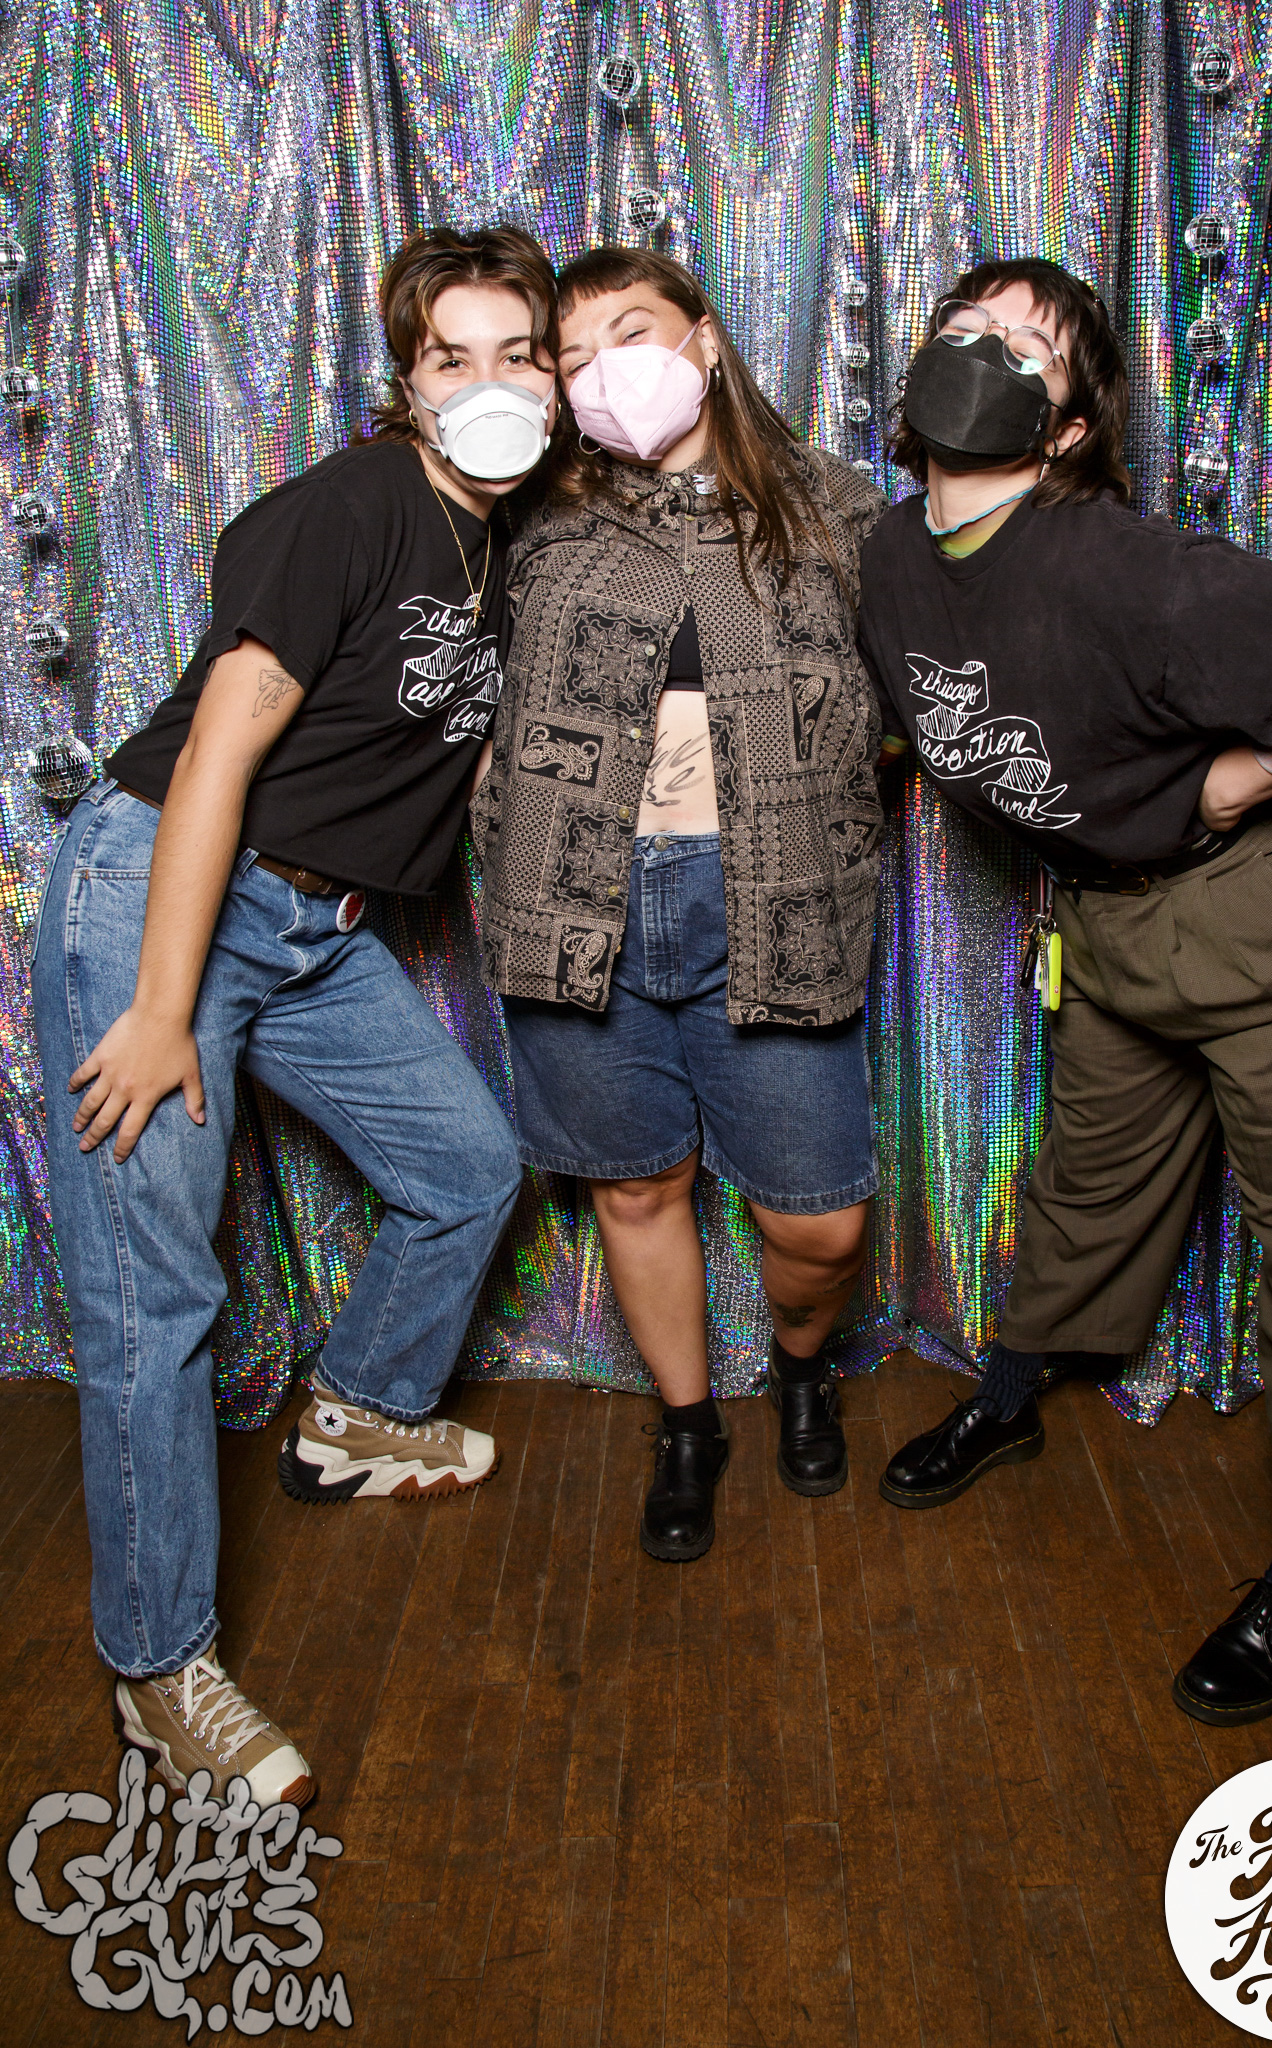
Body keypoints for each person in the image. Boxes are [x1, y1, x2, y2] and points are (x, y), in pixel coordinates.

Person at [856, 256, 1272, 1724]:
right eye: (965, 327)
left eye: (1028, 349)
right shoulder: (891, 554)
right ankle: (1009, 1398)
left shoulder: (1122, 565)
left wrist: (1231, 781)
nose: (983, 351)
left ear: (1065, 430)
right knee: (1090, 1179)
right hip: (1115, 915)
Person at [30, 225, 561, 1804]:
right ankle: (159, 1669)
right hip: (165, 896)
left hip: (317, 932)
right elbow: (215, 758)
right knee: (154, 1301)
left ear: (555, 377)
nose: (489, 383)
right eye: (452, 356)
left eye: (519, 353)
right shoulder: (352, 506)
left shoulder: (507, 543)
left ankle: (357, 1416)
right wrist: (158, 1006)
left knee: (467, 1167)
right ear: (409, 384)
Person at [471, 247, 886, 1562]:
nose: (608, 372)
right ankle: (689, 1423)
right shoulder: (532, 514)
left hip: (777, 896)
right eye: (575, 357)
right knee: (639, 1189)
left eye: (633, 333)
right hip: (571, 900)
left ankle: (803, 1366)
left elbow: (925, 682)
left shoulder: (835, 507)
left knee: (818, 1218)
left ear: (704, 336)